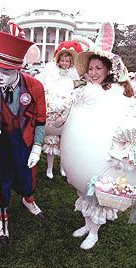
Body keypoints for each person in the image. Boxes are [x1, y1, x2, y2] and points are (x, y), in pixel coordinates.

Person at [0, 30, 46, 245]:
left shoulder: (35, 86)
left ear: (18, 69)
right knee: (3, 178)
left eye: (5, 71)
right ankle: (2, 214)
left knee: (27, 175)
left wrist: (37, 146)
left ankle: (28, 198)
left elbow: (41, 119)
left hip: (24, 139)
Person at [71, 25, 134, 250]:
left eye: (99, 68)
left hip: (102, 152)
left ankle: (95, 231)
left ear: (108, 70)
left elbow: (119, 123)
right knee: (85, 189)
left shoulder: (113, 95)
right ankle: (88, 224)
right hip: (84, 149)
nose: (94, 72)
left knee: (98, 192)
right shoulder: (84, 91)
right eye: (91, 68)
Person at [41, 48, 80, 179]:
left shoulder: (72, 75)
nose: (64, 63)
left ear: (70, 62)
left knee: (64, 143)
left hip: (66, 109)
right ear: (58, 61)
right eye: (62, 60)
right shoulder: (52, 72)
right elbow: (48, 87)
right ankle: (49, 168)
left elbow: (73, 91)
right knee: (51, 140)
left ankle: (63, 167)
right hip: (53, 109)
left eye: (67, 61)